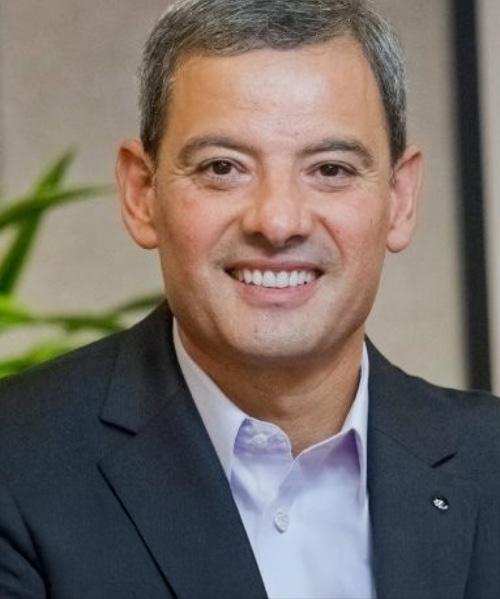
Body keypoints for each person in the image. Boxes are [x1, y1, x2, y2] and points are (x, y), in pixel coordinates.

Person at [1, 0, 499, 597]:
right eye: (223, 167)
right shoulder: (15, 463)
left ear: (400, 199)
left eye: (331, 169)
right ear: (141, 193)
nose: (278, 221)